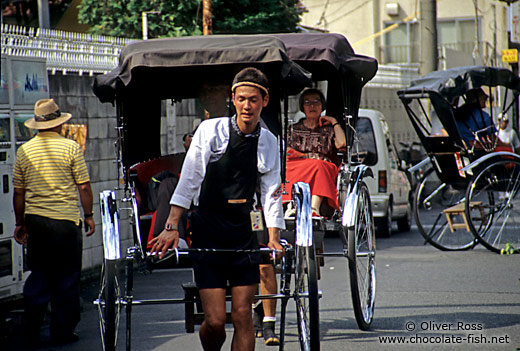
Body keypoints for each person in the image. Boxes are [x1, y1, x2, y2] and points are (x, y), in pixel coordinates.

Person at [150, 67, 284, 351]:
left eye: (254, 99)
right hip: (208, 230)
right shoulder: (211, 131)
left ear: (265, 101)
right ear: (233, 99)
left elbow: (272, 192)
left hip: (244, 231)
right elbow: (189, 178)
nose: (247, 105)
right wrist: (172, 225)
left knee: (243, 315)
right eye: (242, 99)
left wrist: (273, 236)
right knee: (214, 321)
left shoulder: (269, 141)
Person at [12, 98, 95, 347]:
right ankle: (63, 331)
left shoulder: (24, 150)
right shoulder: (70, 148)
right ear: (59, 124)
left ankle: (32, 330)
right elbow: (83, 186)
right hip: (66, 222)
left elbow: (19, 192)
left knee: (40, 274)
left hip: (36, 222)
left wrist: (20, 222)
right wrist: (89, 214)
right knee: (67, 277)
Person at [283, 88, 347, 217]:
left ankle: (314, 207)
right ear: (302, 107)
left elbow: (341, 144)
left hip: (322, 164)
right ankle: (291, 205)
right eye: (307, 102)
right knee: (285, 168)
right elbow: (286, 150)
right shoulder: (293, 128)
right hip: (298, 162)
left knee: (318, 166)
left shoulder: (329, 129)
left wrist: (334, 122)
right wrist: (305, 156)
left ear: (322, 106)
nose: (312, 106)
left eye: (316, 102)